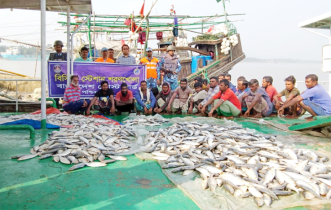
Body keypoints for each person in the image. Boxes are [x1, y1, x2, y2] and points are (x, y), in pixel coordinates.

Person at [49, 40, 67, 108]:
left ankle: (65, 108)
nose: (58, 48)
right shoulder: (52, 55)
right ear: (55, 48)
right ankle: (56, 108)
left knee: (63, 94)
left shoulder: (65, 55)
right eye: (57, 47)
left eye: (59, 47)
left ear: (61, 47)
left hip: (63, 77)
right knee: (55, 94)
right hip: (54, 78)